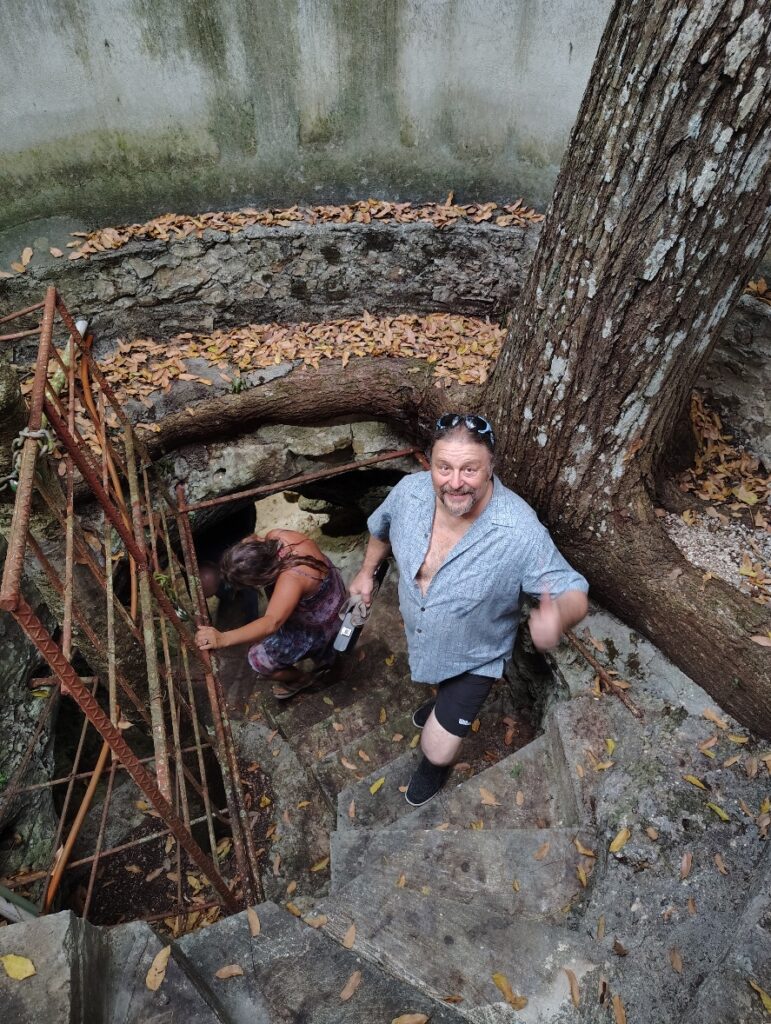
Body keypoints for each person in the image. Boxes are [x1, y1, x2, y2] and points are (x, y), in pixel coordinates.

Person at [348, 412, 589, 807]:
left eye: (470, 469)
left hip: (477, 654)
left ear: (491, 466)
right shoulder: (409, 492)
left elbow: (574, 589)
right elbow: (381, 528)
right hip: (424, 635)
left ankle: (434, 767)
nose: (455, 482)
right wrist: (365, 573)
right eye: (444, 467)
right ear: (430, 463)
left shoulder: (519, 531)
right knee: (437, 679)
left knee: (438, 747)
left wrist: (559, 616)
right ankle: (440, 703)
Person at [195, 529, 346, 699]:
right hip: (332, 590)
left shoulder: (291, 579)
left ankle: (303, 679)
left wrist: (223, 638)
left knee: (258, 660)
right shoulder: (275, 537)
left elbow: (271, 622)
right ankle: (331, 662)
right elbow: (250, 539)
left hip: (320, 621)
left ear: (261, 577)